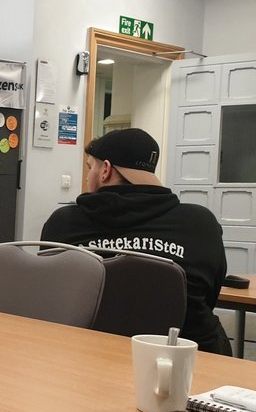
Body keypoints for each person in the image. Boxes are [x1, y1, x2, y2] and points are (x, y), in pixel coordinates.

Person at [41, 127, 231, 355]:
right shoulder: (200, 224)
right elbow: (209, 296)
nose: (87, 176)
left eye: (90, 167)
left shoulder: (63, 222)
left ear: (105, 171)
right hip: (188, 362)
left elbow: (51, 296)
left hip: (80, 355)